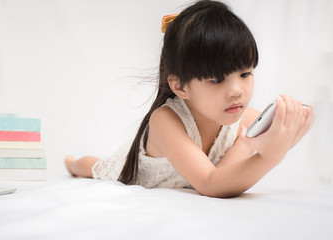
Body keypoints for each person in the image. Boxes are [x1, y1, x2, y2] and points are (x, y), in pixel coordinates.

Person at [64, 0, 314, 198]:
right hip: (128, 170)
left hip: (200, 174)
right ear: (181, 86)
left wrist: (276, 141)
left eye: (245, 73)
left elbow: (221, 176)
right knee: (98, 166)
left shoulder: (246, 122)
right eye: (217, 79)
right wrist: (270, 156)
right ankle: (73, 164)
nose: (237, 90)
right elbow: (209, 185)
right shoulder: (164, 120)